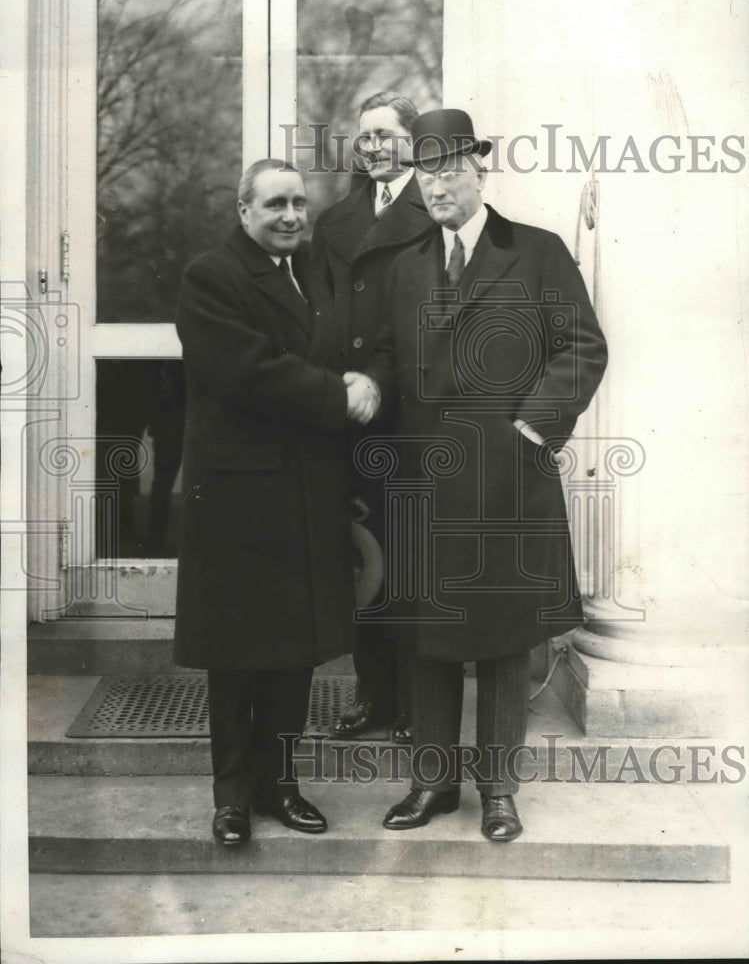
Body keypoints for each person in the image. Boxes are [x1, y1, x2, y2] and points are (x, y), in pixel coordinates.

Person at [366, 109, 608, 841]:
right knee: (425, 638)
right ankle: (431, 783)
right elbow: (384, 356)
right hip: (423, 483)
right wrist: (368, 391)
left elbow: (581, 347)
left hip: (506, 481)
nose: (434, 185)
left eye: (446, 168)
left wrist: (528, 428)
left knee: (505, 641)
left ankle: (498, 790)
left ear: (478, 166)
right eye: (423, 171)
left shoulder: (535, 252)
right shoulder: (404, 266)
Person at [173, 158, 378, 847]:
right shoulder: (213, 275)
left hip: (305, 490)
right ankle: (231, 799)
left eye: (298, 203)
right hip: (237, 497)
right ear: (243, 211)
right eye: (274, 205)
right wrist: (336, 395)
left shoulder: (316, 270)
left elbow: (355, 341)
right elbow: (244, 371)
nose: (290, 215)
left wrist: (367, 377)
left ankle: (281, 787)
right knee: (235, 656)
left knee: (292, 651)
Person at [311, 91, 434, 742]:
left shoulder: (436, 208)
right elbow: (323, 312)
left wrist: (377, 379)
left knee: (411, 558)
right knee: (366, 557)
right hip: (352, 413)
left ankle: (418, 704)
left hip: (411, 413)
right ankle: (372, 694)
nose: (374, 148)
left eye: (386, 135)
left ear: (415, 141)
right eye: (364, 138)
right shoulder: (338, 220)